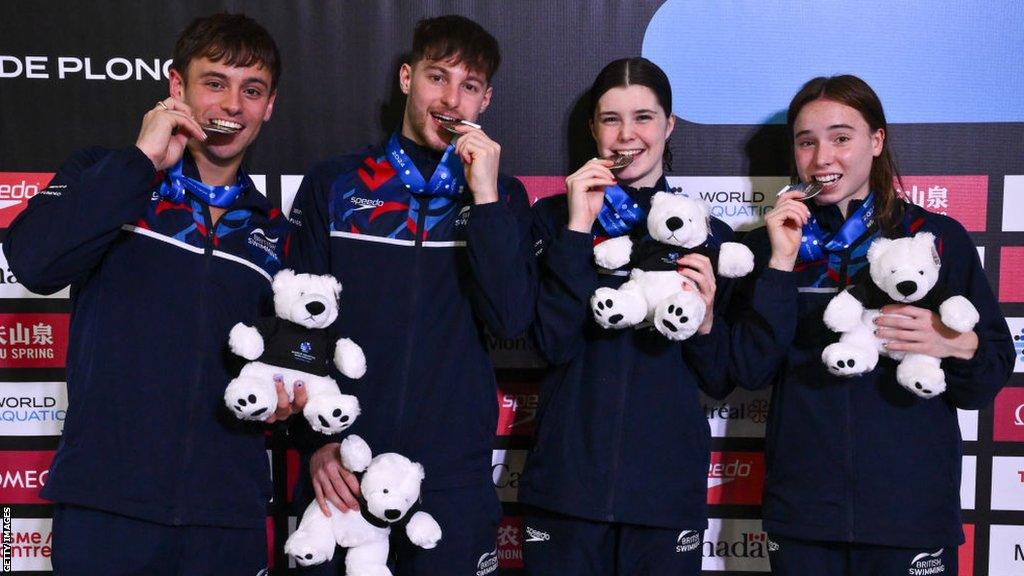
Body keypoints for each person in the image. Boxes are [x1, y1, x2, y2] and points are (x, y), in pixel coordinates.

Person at [3, 12, 298, 575]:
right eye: (215, 82)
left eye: (251, 90)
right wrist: (140, 164)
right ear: (176, 87)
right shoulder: (105, 175)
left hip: (225, 517)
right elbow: (33, 263)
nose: (232, 105)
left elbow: (294, 368)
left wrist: (289, 395)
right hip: (106, 507)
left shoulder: (278, 235)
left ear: (269, 105)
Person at [728, 74, 1014, 575]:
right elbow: (748, 370)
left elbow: (990, 368)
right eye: (806, 141)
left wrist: (954, 343)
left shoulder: (935, 239)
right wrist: (778, 265)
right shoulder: (767, 247)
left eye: (841, 138)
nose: (823, 158)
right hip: (804, 514)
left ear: (876, 141)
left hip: (911, 513)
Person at [286, 14, 534, 575]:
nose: (450, 100)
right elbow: (296, 332)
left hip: (451, 477)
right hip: (343, 466)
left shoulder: (504, 198)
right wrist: (316, 443)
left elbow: (512, 318)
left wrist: (487, 198)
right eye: (436, 77)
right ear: (405, 78)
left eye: (468, 86)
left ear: (485, 100)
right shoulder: (335, 183)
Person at [517, 57, 734, 576]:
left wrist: (704, 325)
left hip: (664, 496)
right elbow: (549, 343)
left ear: (669, 125)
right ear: (593, 127)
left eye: (643, 117)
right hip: (566, 487)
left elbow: (723, 376)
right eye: (610, 119)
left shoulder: (706, 234)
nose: (625, 136)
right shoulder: (551, 217)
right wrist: (576, 228)